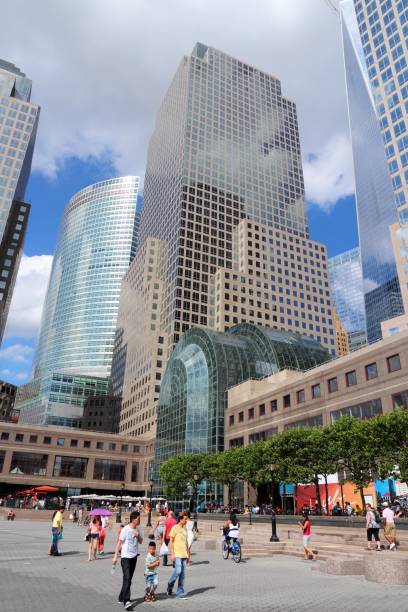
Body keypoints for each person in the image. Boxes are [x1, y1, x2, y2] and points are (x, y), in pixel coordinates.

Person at [112, 511, 143, 610]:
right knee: (127, 578)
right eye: (138, 518)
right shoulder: (125, 529)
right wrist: (115, 556)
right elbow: (119, 543)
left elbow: (141, 541)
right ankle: (127, 601)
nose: (140, 520)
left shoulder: (138, 528)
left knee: (128, 579)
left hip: (134, 557)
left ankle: (121, 596)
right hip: (125, 557)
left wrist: (137, 535)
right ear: (134, 519)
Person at [167, 511, 190, 599]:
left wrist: (188, 555)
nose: (186, 521)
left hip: (184, 554)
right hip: (177, 554)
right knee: (178, 571)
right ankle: (170, 584)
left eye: (186, 519)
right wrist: (172, 553)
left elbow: (186, 542)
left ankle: (180, 592)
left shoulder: (185, 529)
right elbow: (171, 541)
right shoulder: (175, 528)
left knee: (183, 575)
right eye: (185, 519)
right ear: (180, 519)